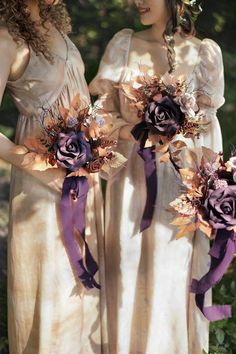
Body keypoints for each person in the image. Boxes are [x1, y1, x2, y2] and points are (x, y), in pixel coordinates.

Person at [89, 0, 225, 353]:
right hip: (132, 183)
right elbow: (98, 119)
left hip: (182, 187)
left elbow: (209, 131)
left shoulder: (205, 54)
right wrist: (140, 130)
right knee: (128, 263)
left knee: (173, 273)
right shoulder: (124, 45)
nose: (137, 1)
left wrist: (210, 190)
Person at [0, 1, 107, 353]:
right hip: (42, 187)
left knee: (84, 294)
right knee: (52, 288)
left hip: (85, 177)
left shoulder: (60, 30)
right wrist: (41, 169)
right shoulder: (7, 37)